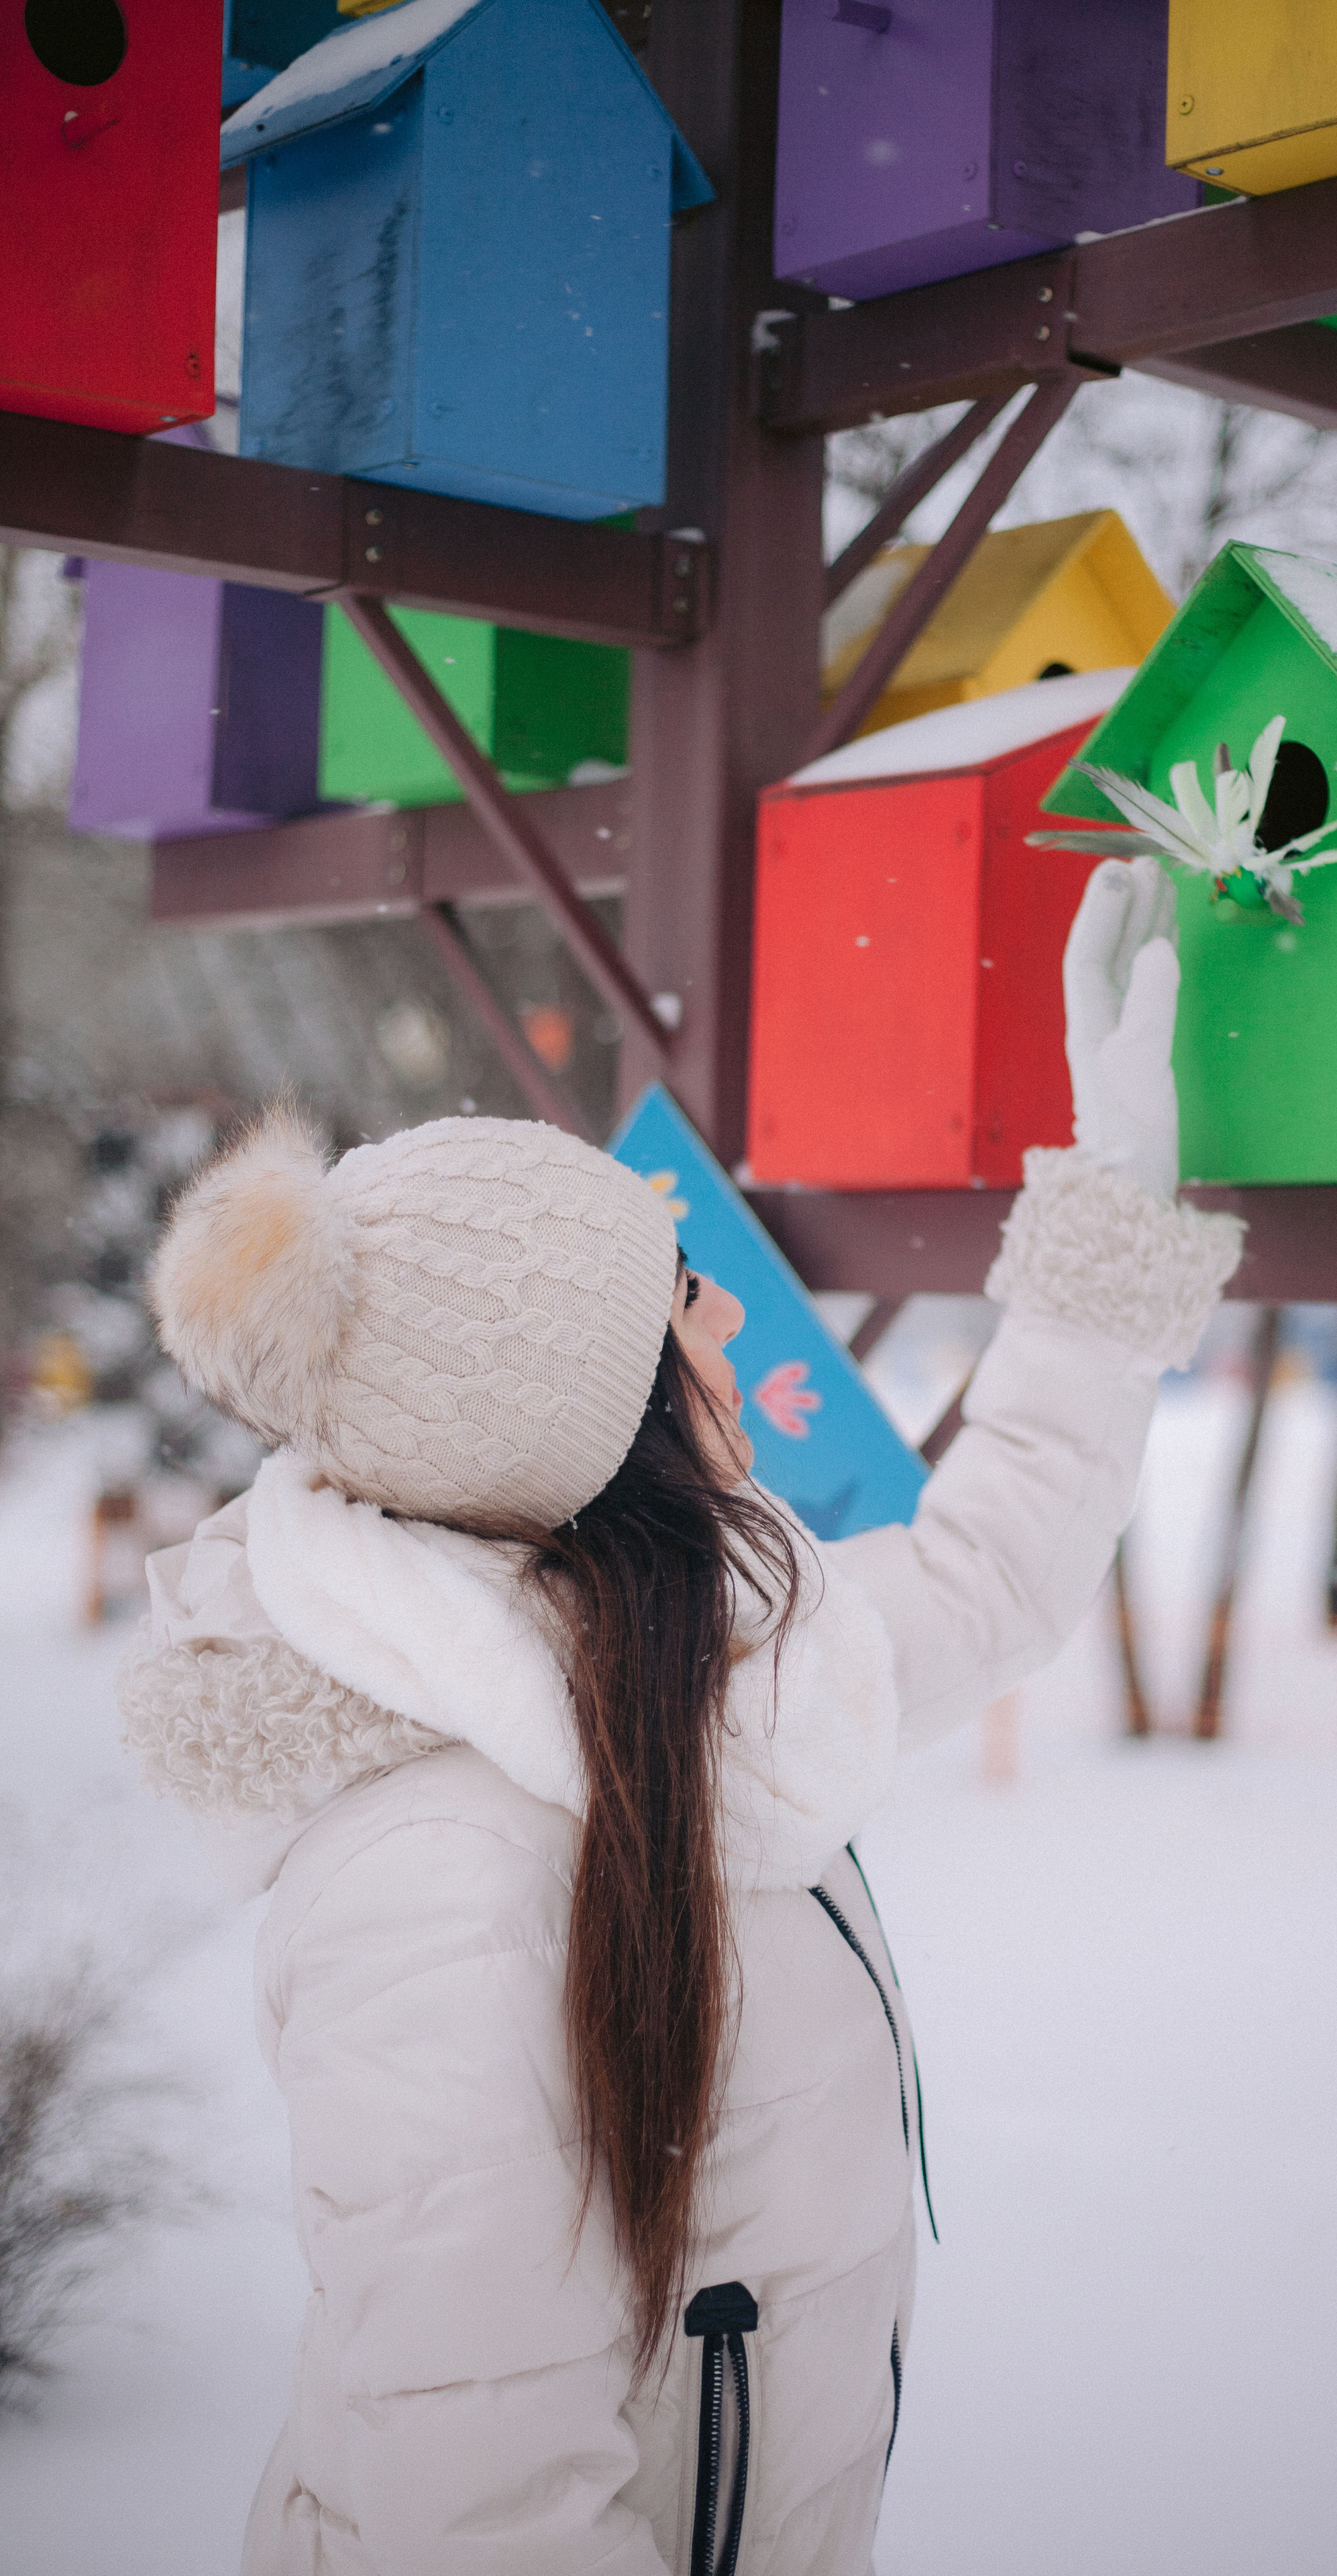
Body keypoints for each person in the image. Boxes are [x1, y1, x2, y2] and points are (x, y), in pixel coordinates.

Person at [119, 858, 1241, 2576]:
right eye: (680, 1298)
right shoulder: (435, 1886)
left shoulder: (689, 1674)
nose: (727, 1316)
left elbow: (993, 1568)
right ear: (595, 1426)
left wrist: (1112, 1190)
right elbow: (481, 2518)